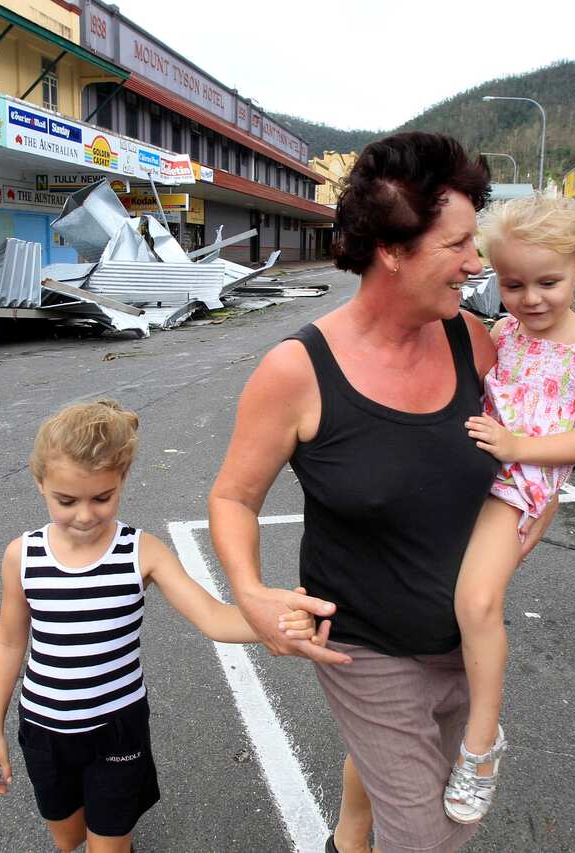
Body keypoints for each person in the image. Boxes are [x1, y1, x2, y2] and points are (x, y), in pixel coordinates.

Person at [209, 132, 556, 853]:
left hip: (465, 636)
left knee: (430, 786)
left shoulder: (473, 341)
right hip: (364, 643)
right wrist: (251, 591)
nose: (475, 262)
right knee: (432, 832)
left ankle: (345, 839)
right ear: (393, 250)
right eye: (457, 244)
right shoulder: (297, 371)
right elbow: (234, 497)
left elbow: (531, 463)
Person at [0, 400, 318, 853]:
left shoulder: (142, 552)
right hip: (44, 726)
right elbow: (8, 642)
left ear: (122, 481)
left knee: (109, 843)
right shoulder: (22, 556)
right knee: (68, 837)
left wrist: (277, 623)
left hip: (117, 727)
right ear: (40, 482)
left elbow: (214, 617)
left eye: (102, 498)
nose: (84, 515)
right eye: (66, 500)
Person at [443, 195, 575, 824]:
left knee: (477, 601)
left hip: (516, 481)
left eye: (548, 282)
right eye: (514, 283)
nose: (532, 299)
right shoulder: (505, 332)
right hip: (477, 469)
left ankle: (481, 744)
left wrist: (522, 448)